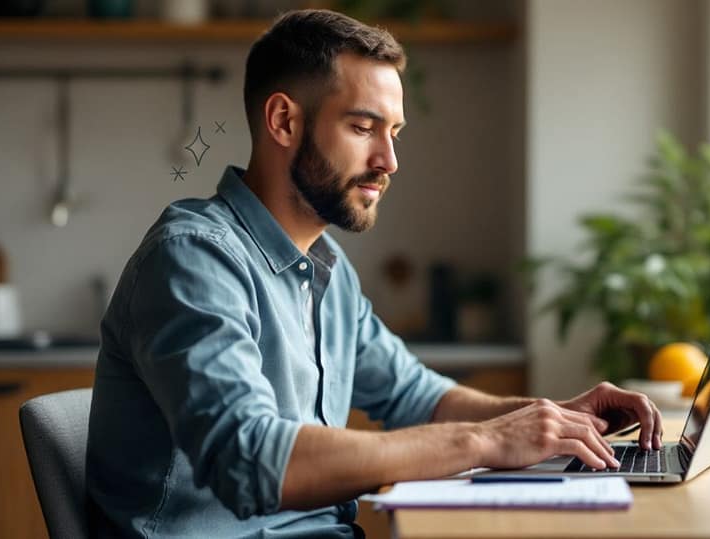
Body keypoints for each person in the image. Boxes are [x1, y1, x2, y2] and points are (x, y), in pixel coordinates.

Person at [85, 9, 663, 538]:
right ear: (284, 121)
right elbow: (250, 461)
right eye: (364, 128)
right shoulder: (193, 258)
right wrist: (487, 441)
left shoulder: (327, 272)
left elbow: (417, 396)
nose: (389, 162)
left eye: (394, 133)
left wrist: (556, 418)